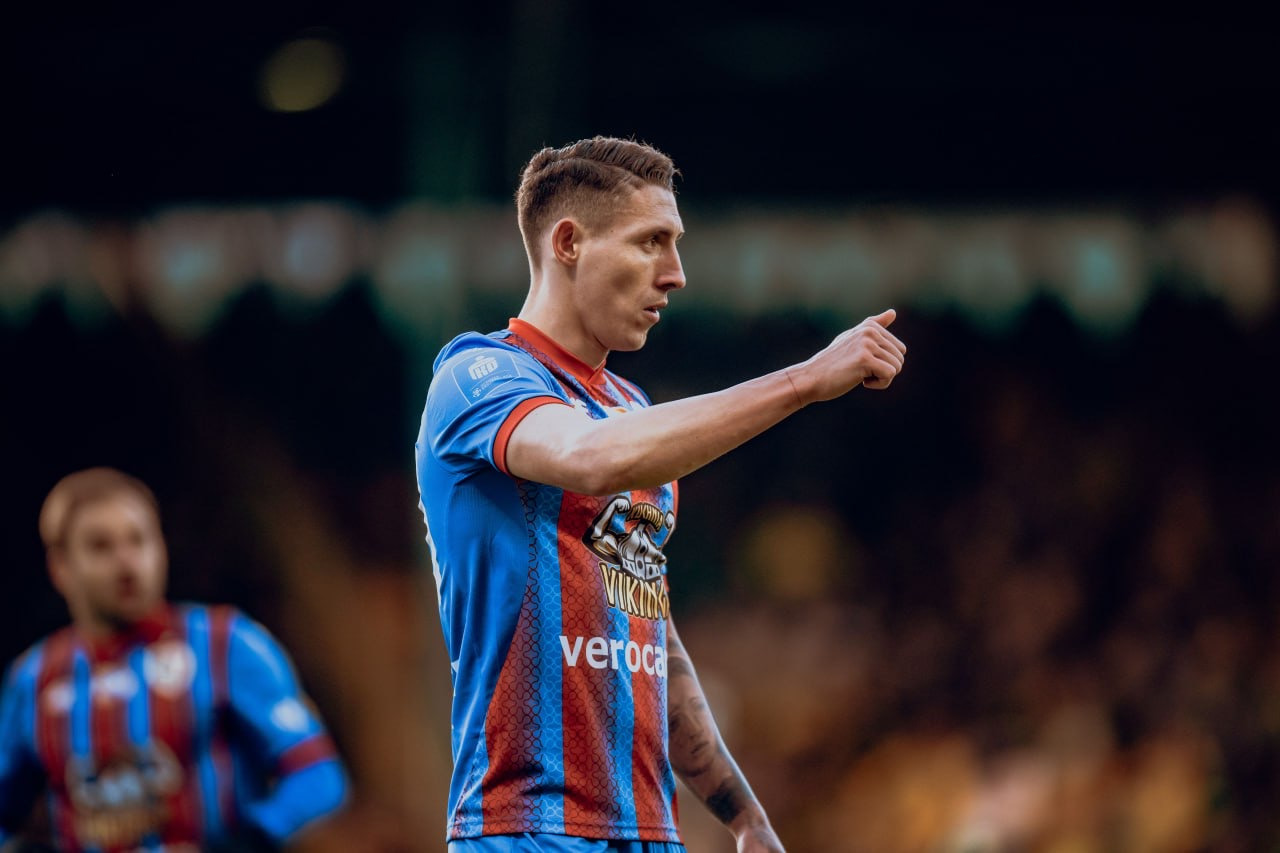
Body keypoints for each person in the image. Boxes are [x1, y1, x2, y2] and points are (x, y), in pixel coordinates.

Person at [415, 136, 906, 852]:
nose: (675, 274)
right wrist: (804, 381)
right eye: (651, 242)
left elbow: (648, 631)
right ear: (568, 242)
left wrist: (743, 814)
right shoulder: (476, 376)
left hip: (650, 831)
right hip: (526, 827)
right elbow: (588, 458)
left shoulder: (630, 406)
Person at [0, 468, 348, 852]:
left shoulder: (223, 643)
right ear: (61, 567)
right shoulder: (33, 678)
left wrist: (250, 839)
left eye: (139, 540)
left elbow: (319, 775)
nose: (127, 563)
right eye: (101, 546)